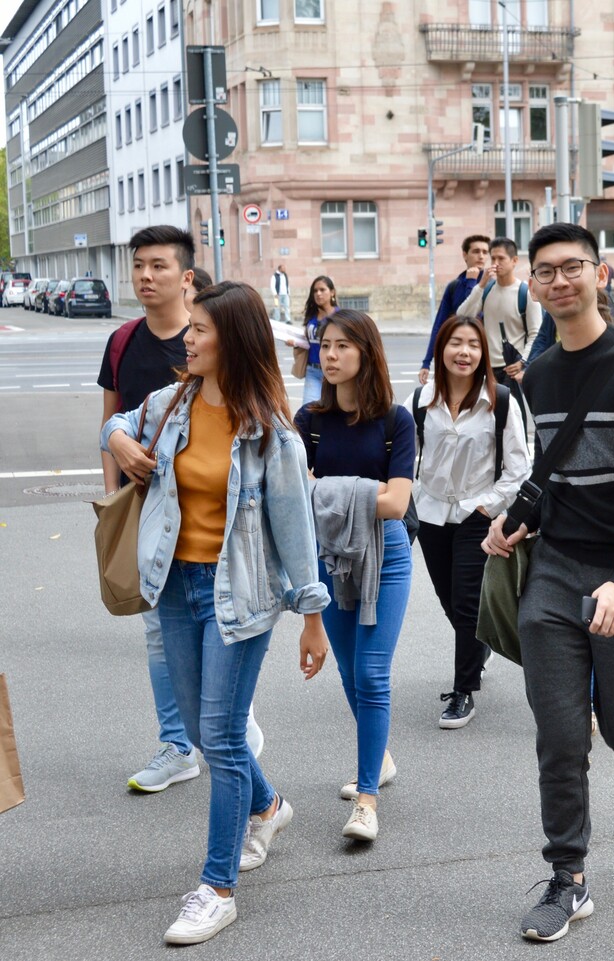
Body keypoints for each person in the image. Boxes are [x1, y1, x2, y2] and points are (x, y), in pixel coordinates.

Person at [483, 223, 614, 942]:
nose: (560, 280)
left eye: (574, 266)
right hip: (554, 571)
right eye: (547, 271)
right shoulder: (536, 375)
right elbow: (550, 473)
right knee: (561, 735)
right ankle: (567, 876)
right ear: (534, 284)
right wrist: (513, 518)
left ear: (601, 274)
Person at [102, 280, 329, 945]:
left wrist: (311, 617)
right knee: (204, 734)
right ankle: (268, 805)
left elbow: (297, 534)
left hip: (242, 594)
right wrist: (120, 444)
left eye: (200, 330)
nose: (188, 339)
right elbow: (117, 421)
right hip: (174, 586)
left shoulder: (270, 433)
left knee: (222, 736)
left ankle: (217, 886)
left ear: (231, 338)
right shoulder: (172, 404)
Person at [97, 227, 263, 793]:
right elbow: (114, 417)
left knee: (213, 646)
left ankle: (220, 737)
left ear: (186, 276)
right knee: (159, 638)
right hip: (149, 515)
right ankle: (179, 743)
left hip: (214, 533)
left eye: (159, 266)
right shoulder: (122, 341)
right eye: (138, 265)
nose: (146, 276)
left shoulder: (211, 341)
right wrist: (113, 485)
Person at [295, 309, 415, 843]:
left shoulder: (395, 419)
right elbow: (292, 498)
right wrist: (354, 491)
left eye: (344, 345)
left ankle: (367, 799)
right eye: (325, 345)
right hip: (328, 558)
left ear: (366, 352)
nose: (332, 355)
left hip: (385, 558)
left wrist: (325, 486)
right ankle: (380, 756)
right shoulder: (309, 421)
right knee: (347, 671)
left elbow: (396, 503)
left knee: (371, 673)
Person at [408, 314, 530, 728]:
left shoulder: (501, 400)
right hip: (431, 514)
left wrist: (487, 504)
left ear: (483, 354)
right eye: (456, 343)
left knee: (466, 602)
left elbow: (518, 468)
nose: (464, 352)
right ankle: (477, 649)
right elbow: (409, 458)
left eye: (473, 345)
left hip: (477, 516)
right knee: (449, 601)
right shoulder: (420, 401)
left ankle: (464, 691)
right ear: (441, 349)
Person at [456, 237, 543, 421]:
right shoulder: (487, 290)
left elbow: (536, 333)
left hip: (511, 368)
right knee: (486, 420)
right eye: (493, 259)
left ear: (514, 261)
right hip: (486, 368)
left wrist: (522, 362)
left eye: (501, 259)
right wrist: (481, 284)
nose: (495, 264)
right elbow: (463, 315)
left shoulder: (525, 292)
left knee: (514, 420)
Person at [420, 234, 490, 377]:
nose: (481, 256)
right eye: (476, 251)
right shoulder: (454, 286)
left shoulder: (491, 285)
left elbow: (473, 317)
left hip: (482, 355)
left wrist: (473, 282)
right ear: (465, 255)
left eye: (485, 252)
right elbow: (440, 324)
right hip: (457, 356)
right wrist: (427, 362)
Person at [296, 275, 338, 406]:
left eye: (322, 290)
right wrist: (296, 342)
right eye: (315, 291)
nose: (318, 294)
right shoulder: (312, 316)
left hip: (334, 370)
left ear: (332, 292)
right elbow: (308, 342)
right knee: (308, 409)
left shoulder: (340, 316)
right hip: (313, 370)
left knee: (334, 410)